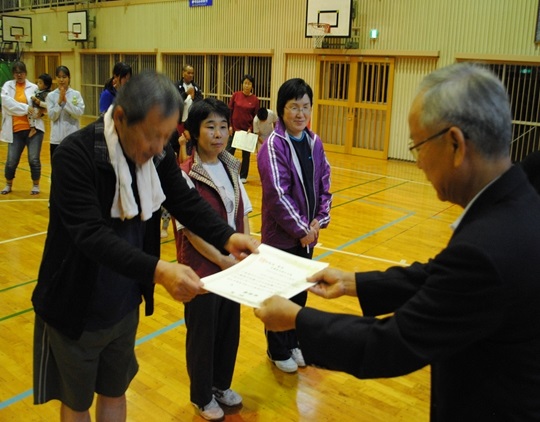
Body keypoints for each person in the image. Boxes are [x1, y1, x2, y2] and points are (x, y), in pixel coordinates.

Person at [255, 63, 540, 420]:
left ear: (455, 144)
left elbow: (392, 343)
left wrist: (300, 320)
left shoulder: (490, 246)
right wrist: (351, 282)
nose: (417, 162)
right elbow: (437, 278)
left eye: (418, 145)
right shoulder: (516, 205)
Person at [32, 71, 259, 422]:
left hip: (123, 300)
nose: (158, 148)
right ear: (121, 118)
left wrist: (227, 237)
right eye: (153, 136)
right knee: (76, 402)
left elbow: (183, 198)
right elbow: (91, 236)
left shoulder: (156, 154)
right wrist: (160, 271)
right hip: (74, 304)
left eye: (166, 137)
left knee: (115, 390)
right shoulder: (75, 156)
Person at [173, 98, 252, 421]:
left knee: (227, 331)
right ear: (193, 132)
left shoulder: (231, 167)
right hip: (202, 272)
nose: (218, 134)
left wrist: (245, 257)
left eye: (223, 126)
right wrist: (222, 261)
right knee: (202, 334)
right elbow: (191, 231)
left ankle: (221, 384)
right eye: (210, 127)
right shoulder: (185, 174)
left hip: (233, 268)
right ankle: (202, 396)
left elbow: (242, 215)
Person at [256, 78, 332, 373]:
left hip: (306, 237)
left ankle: (293, 341)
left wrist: (318, 222)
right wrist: (302, 230)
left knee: (299, 292)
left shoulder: (315, 143)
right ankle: (277, 348)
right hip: (282, 238)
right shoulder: (273, 147)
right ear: (282, 110)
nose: (300, 113)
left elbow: (326, 185)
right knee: (279, 294)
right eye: (293, 107)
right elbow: (277, 194)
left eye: (305, 107)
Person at [0, 61, 46, 195]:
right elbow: (8, 105)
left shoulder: (33, 87)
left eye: (21, 72)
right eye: (16, 73)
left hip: (34, 129)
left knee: (34, 159)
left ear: (26, 73)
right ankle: (8, 184)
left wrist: (37, 111)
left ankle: (36, 185)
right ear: (13, 74)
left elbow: (40, 105)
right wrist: (26, 108)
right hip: (14, 130)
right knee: (11, 161)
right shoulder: (7, 87)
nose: (19, 75)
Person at [46, 65, 85, 160]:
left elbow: (79, 113)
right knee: (57, 169)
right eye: (59, 77)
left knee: (73, 168)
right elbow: (52, 116)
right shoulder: (51, 96)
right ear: (55, 78)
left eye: (64, 77)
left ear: (69, 78)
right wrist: (59, 102)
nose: (61, 80)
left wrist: (66, 103)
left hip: (73, 138)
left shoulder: (76, 94)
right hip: (56, 140)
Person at [227, 74, 259, 183]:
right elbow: (229, 111)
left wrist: (251, 128)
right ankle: (227, 172)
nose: (246, 85)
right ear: (242, 84)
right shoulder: (236, 95)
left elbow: (256, 117)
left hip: (247, 132)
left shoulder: (255, 99)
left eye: (249, 83)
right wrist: (229, 125)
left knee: (246, 155)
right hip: (234, 129)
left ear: (252, 86)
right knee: (228, 152)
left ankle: (243, 176)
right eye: (245, 83)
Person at [29, 73, 52, 138]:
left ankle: (33, 128)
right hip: (35, 108)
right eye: (38, 82)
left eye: (40, 83)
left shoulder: (47, 94)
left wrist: (40, 103)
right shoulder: (38, 91)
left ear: (46, 85)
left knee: (31, 114)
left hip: (38, 109)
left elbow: (48, 105)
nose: (38, 84)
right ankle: (32, 127)